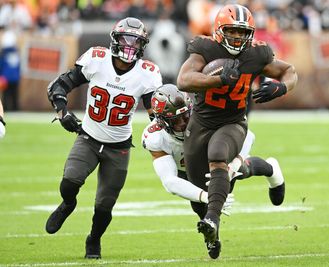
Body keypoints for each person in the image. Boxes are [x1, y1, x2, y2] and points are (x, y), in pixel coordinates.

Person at [177, 4, 297, 259]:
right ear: (220, 31)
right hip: (201, 122)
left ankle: (212, 219)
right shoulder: (205, 48)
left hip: (233, 120)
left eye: (243, 33)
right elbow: (184, 80)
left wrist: (281, 88)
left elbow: (290, 71)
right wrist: (217, 79)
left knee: (218, 155)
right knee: (200, 193)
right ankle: (268, 169)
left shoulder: (257, 54)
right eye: (232, 31)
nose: (238, 37)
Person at [45, 17, 162, 259]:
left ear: (143, 45)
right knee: (70, 181)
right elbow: (59, 86)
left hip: (118, 147)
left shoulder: (147, 74)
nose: (130, 46)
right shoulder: (97, 60)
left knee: (104, 205)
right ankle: (68, 204)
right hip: (88, 138)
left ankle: (94, 239)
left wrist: (163, 127)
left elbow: (155, 113)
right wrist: (63, 111)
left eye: (136, 41)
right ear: (115, 40)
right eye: (126, 40)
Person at [142, 84, 285, 259]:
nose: (182, 124)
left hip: (213, 159)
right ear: (161, 121)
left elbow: (248, 135)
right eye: (175, 120)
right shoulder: (155, 137)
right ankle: (212, 235)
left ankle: (271, 168)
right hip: (185, 171)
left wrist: (233, 166)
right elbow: (170, 182)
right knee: (198, 205)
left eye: (185, 116)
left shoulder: (206, 116)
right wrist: (205, 196)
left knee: (239, 172)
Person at [0, 30, 21, 111]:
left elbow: (1, 66)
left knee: (6, 95)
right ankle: (15, 109)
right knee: (14, 95)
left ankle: (6, 109)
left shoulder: (3, 54)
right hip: (14, 78)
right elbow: (18, 67)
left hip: (5, 78)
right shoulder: (16, 54)